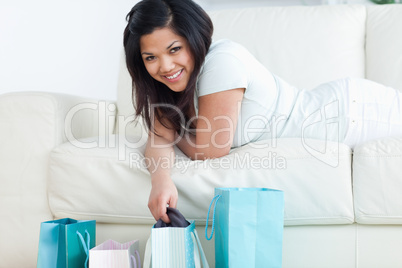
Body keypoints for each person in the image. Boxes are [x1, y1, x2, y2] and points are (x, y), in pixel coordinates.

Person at [123, 0, 402, 223]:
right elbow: (157, 139)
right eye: (151, 57)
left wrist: (169, 129)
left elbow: (210, 148)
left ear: (193, 38)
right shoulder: (167, 89)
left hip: (353, 115)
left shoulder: (222, 61)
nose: (166, 66)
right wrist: (160, 180)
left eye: (175, 49)